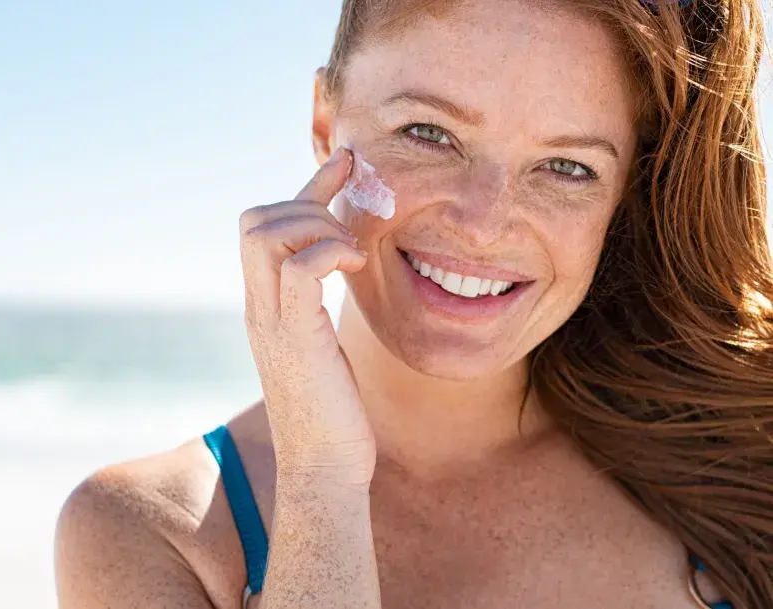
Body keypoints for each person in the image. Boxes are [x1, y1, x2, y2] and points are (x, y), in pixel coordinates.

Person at [54, 0, 773, 607]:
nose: (484, 222)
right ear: (323, 123)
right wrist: (321, 480)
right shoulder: (155, 531)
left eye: (566, 166)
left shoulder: (742, 476)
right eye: (429, 133)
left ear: (622, 198)